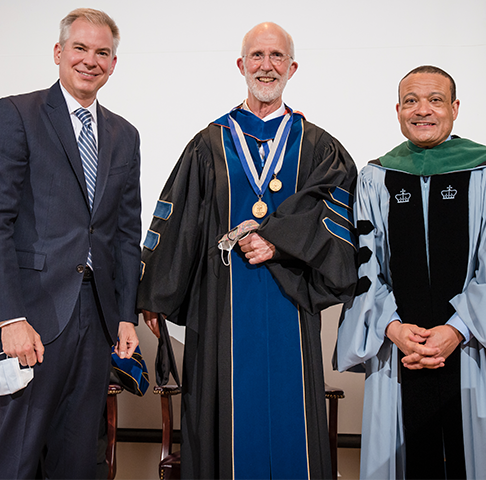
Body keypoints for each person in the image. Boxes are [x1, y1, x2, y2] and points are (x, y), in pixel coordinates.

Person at [138, 22, 357, 480]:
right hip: (220, 304)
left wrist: (279, 238)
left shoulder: (318, 147)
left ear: (292, 67)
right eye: (257, 56)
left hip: (289, 301)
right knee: (225, 412)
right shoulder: (209, 144)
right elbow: (177, 222)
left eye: (277, 57)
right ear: (241, 65)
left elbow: (335, 205)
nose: (266, 65)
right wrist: (156, 291)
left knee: (289, 408)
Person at [336, 65, 486, 480]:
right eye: (411, 101)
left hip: (473, 350)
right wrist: (392, 328)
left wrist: (456, 329)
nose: (423, 110)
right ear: (398, 110)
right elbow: (363, 267)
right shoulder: (374, 178)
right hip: (399, 353)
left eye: (435, 100)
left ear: (455, 108)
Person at [0, 8, 141, 480]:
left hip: (96, 316)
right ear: (59, 53)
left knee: (78, 457)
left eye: (103, 53)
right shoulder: (17, 114)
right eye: (81, 48)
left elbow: (125, 234)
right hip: (32, 314)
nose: (91, 60)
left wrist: (126, 314)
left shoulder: (124, 135)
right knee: (17, 453)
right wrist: (8, 317)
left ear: (113, 63)